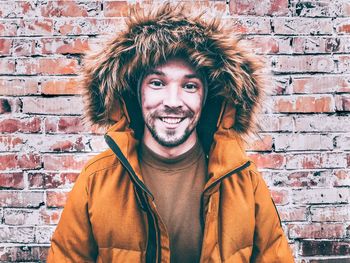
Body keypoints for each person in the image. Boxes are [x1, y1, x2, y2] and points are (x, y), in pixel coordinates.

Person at [47, 3, 294, 263]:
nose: (173, 101)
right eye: (157, 83)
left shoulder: (244, 183)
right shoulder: (95, 180)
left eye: (189, 86)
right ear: (135, 92)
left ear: (208, 98)